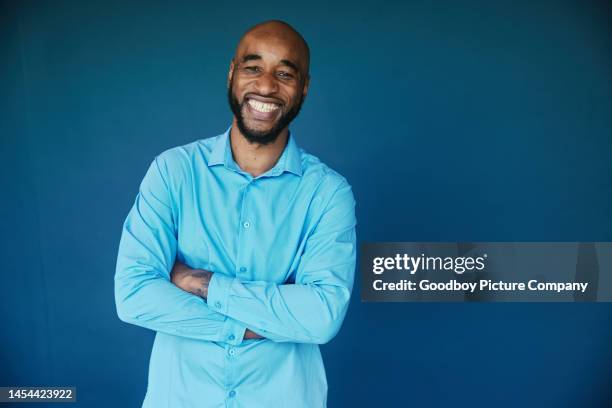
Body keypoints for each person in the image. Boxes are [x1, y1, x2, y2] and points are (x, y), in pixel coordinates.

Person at [114, 20, 357, 407]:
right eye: (253, 67)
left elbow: (321, 317)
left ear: (304, 88)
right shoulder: (173, 171)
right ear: (232, 74)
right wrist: (252, 324)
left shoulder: (327, 193)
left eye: (284, 73)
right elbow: (134, 295)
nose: (265, 86)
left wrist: (203, 283)